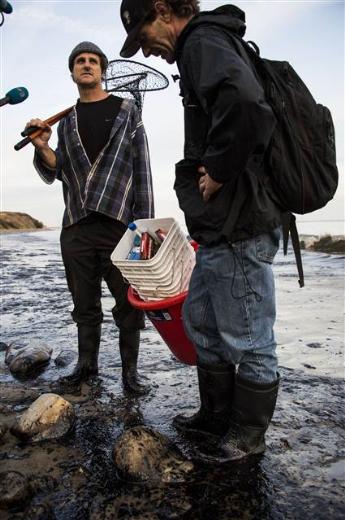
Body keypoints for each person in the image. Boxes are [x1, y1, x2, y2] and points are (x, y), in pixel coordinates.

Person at [119, 1, 282, 462]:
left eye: (144, 36)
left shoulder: (203, 41)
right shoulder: (200, 45)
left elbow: (248, 104)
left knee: (249, 335)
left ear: (163, 10)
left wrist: (222, 171)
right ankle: (215, 415)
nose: (147, 52)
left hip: (240, 221)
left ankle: (248, 438)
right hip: (216, 229)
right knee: (204, 324)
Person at [28, 41, 154, 396]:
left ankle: (131, 374)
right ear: (72, 72)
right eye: (80, 61)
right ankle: (87, 368)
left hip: (120, 223)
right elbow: (57, 172)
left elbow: (141, 168)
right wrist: (42, 147)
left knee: (129, 305)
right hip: (77, 225)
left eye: (93, 61)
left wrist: (144, 229)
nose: (86, 65)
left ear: (102, 70)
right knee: (84, 305)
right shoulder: (65, 121)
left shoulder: (127, 110)